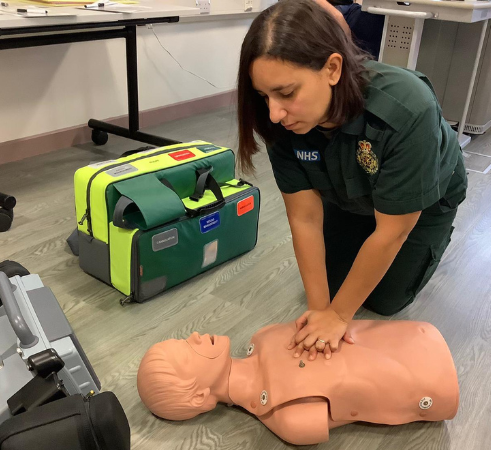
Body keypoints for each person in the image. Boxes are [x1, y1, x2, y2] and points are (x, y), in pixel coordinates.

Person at [236, 0, 468, 360]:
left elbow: (393, 231)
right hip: (349, 191)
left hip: (421, 202)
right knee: (327, 287)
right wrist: (320, 312)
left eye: (286, 93)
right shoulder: (279, 120)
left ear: (332, 68)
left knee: (384, 301)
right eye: (264, 96)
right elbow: (304, 217)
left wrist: (339, 315)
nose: (274, 112)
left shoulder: (408, 106)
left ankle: (433, 243)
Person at [136, 320, 460, 445]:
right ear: (198, 397)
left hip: (412, 336)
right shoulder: (288, 416)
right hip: (432, 382)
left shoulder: (262, 336)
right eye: (185, 352)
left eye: (183, 339)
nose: (193, 335)